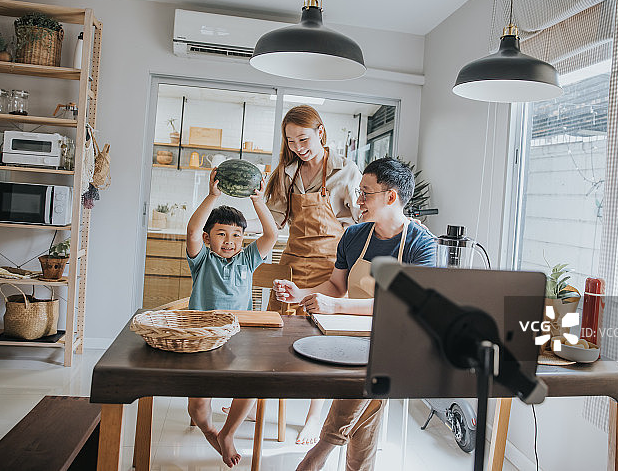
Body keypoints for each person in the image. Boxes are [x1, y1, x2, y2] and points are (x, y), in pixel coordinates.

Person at [274, 157, 436, 471]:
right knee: (369, 400)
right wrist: (303, 294)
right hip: (355, 337)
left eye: (366, 192)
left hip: (400, 341)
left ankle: (319, 452)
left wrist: (338, 306)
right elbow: (336, 285)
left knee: (374, 371)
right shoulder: (354, 236)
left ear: (391, 197)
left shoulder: (420, 244)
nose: (357, 199)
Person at [262, 104, 362, 444]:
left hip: (330, 266)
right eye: (291, 141)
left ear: (320, 132)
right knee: (274, 332)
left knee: (320, 342)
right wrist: (257, 201)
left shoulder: (346, 172)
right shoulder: (286, 173)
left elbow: (363, 222)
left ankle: (313, 416)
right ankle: (255, 399)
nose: (298, 148)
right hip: (292, 260)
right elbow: (274, 224)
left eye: (303, 139)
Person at [185, 168, 277, 468]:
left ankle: (228, 433)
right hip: (203, 338)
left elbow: (271, 234)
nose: (230, 240)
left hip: (240, 338)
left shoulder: (247, 259)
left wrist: (258, 201)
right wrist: (213, 196)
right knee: (197, 408)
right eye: (221, 233)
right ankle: (212, 430)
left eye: (237, 235)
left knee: (252, 387)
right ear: (207, 238)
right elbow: (191, 231)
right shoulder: (202, 260)